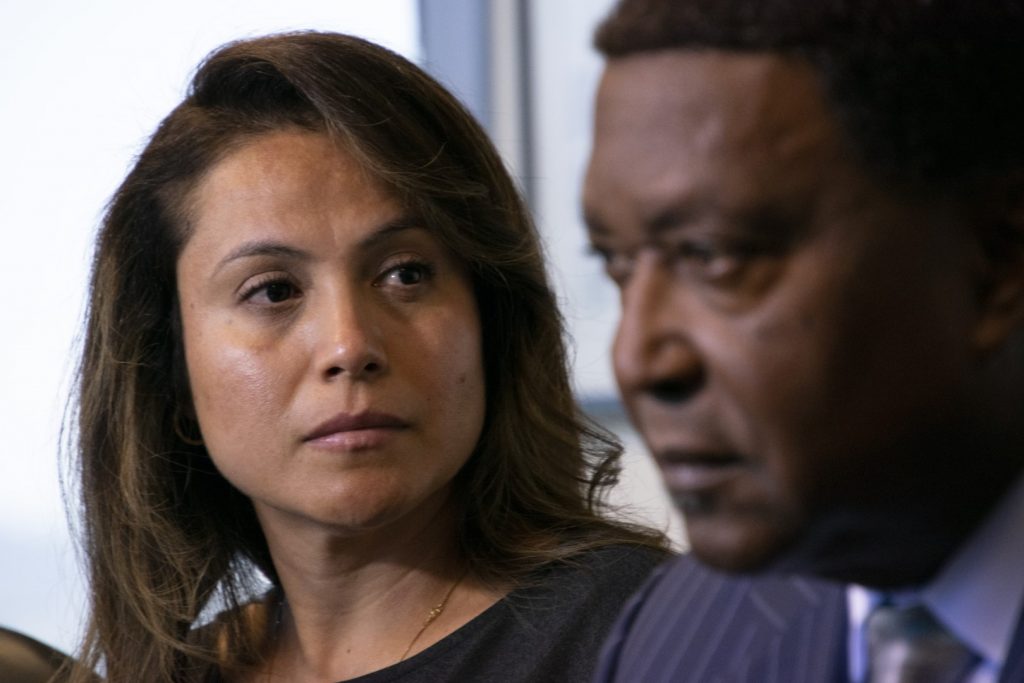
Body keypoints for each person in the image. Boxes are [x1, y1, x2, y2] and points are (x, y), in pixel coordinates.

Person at [64, 31, 668, 683]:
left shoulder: (654, 636)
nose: (350, 345)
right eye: (273, 290)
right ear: (171, 370)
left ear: (490, 318)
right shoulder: (172, 673)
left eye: (405, 274)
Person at [582, 1, 1024, 681]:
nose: (638, 360)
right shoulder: (677, 635)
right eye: (617, 263)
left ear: (994, 260)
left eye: (714, 256)